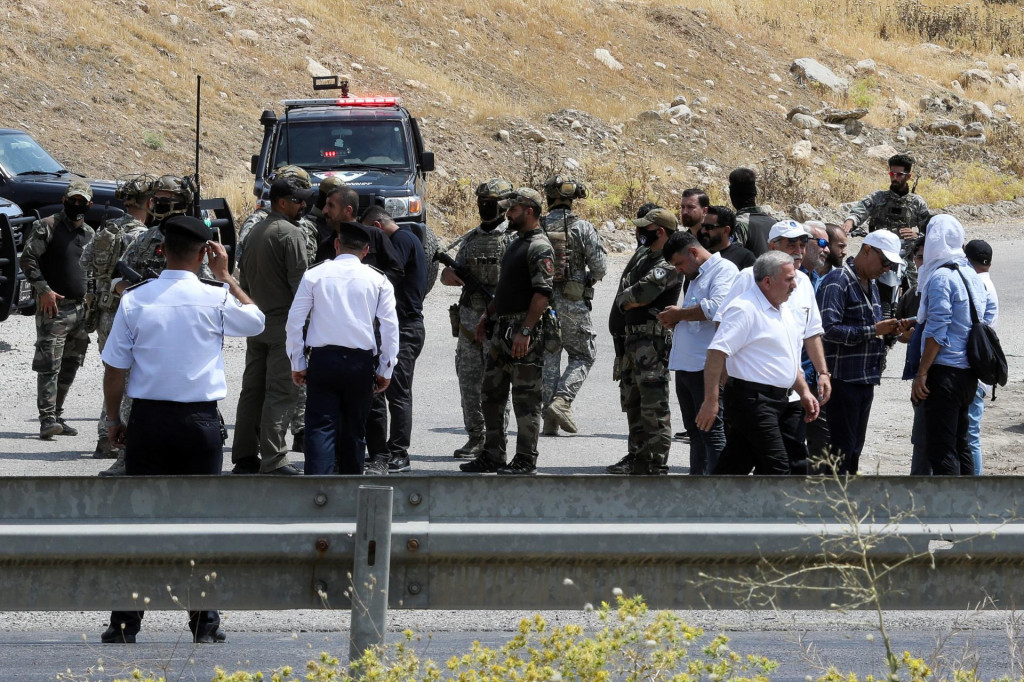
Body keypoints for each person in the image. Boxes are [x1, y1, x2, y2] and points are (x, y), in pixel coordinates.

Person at [99, 215, 264, 644]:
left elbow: (115, 369)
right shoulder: (215, 296)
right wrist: (226, 277)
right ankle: (204, 622)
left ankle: (124, 623)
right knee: (200, 522)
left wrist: (114, 419)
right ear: (206, 252)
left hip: (149, 421)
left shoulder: (135, 299)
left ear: (161, 250)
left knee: (140, 522)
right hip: (199, 423)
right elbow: (256, 321)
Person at [713, 220, 831, 473]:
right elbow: (723, 327)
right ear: (772, 246)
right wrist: (723, 377)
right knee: (776, 465)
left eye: (803, 244)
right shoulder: (750, 277)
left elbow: (811, 333)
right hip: (753, 390)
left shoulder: (803, 282)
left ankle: (712, 496)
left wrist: (822, 373)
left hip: (790, 389)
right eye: (791, 244)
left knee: (757, 460)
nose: (798, 250)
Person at [285, 221, 399, 475]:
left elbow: (294, 321)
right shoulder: (378, 279)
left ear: (337, 244)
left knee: (320, 428)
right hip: (359, 363)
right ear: (366, 251)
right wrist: (386, 369)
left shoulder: (314, 275)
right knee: (354, 431)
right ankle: (350, 489)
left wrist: (297, 363)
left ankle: (317, 489)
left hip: (323, 360)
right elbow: (390, 328)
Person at [459, 188, 554, 475]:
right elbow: (503, 289)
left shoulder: (539, 246)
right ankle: (493, 454)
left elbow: (542, 294)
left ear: (529, 211)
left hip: (523, 332)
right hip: (501, 329)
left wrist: (525, 330)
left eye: (513, 209)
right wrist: (486, 316)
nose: (507, 214)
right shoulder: (515, 243)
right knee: (491, 394)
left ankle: (525, 459)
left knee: (526, 399)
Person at [233, 177, 313, 476]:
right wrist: (306, 329)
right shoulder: (290, 233)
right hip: (283, 327)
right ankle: (274, 458)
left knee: (252, 391)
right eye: (298, 200)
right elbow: (301, 288)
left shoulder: (255, 231)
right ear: (281, 202)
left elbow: (243, 281)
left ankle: (244, 456)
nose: (303, 205)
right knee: (280, 392)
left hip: (257, 323)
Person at [816, 231, 906, 474]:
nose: (886, 269)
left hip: (864, 379)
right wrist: (873, 330)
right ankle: (837, 495)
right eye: (885, 262)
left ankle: (847, 493)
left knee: (854, 448)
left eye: (891, 266)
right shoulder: (838, 280)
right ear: (867, 250)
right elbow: (827, 330)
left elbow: (870, 328)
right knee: (842, 451)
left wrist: (891, 331)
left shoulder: (872, 283)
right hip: (843, 380)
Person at [913, 215, 995, 475]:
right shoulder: (971, 274)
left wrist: (922, 372)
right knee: (961, 444)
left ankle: (951, 500)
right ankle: (969, 499)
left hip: (946, 374)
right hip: (968, 374)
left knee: (942, 449)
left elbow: (937, 330)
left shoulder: (941, 277)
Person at [80, 174, 154, 459]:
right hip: (125, 313)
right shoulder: (140, 235)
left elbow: (85, 261)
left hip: (103, 312)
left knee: (113, 375)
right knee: (126, 380)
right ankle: (114, 437)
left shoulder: (107, 229)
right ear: (148, 202)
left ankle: (106, 437)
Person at [440, 178, 514, 459]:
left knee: (497, 384)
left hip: (498, 322)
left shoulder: (513, 239)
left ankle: (496, 440)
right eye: (482, 201)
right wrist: (448, 275)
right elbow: (450, 273)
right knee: (468, 383)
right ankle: (475, 437)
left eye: (490, 202)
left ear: (504, 205)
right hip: (469, 324)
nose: (485, 207)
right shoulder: (470, 239)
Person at [605, 208, 682, 475]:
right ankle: (637, 457)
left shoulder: (669, 262)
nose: (639, 232)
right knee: (633, 402)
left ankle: (657, 463)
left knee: (653, 405)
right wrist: (627, 297)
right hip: (633, 339)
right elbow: (627, 289)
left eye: (644, 229)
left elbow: (640, 294)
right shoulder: (644, 256)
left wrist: (626, 298)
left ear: (660, 231)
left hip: (651, 342)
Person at [656, 230, 737, 475]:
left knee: (712, 432)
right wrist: (678, 319)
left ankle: (718, 489)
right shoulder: (697, 274)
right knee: (695, 433)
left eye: (679, 264)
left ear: (693, 252)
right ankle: (697, 487)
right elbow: (698, 314)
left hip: (705, 368)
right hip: (687, 366)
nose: (679, 270)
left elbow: (717, 308)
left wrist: (679, 314)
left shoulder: (723, 270)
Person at [19, 180, 95, 439]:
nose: (77, 205)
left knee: (71, 364)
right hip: (54, 308)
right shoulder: (47, 226)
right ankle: (47, 419)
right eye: (73, 200)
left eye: (82, 201)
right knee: (49, 365)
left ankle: (58, 414)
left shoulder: (89, 233)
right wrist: (44, 290)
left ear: (90, 205)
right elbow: (28, 259)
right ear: (64, 200)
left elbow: (91, 269)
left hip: (80, 310)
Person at [361, 207, 427, 475]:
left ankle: (399, 453)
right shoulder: (407, 238)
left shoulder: (400, 240)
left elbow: (387, 279)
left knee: (397, 392)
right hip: (403, 325)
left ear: (377, 226)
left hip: (405, 327)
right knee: (386, 389)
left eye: (369, 233)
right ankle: (387, 451)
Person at [539, 175, 607, 436]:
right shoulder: (583, 228)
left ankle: (549, 420)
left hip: (541, 302)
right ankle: (562, 401)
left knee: (549, 357)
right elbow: (599, 267)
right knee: (583, 355)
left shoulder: (538, 227)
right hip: (573, 302)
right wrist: (587, 277)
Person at [842, 154, 931, 319]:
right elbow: (861, 209)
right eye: (892, 174)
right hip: (878, 255)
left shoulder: (917, 202)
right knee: (857, 282)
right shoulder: (878, 198)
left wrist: (916, 234)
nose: (894, 178)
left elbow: (930, 228)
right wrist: (850, 221)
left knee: (917, 294)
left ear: (908, 176)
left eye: (899, 174)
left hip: (906, 257)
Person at [237, 165, 318, 268]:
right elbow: (243, 258)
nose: (303, 203)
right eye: (298, 197)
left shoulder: (302, 223)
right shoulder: (257, 222)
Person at [965, 239, 999, 476]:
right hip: (982, 365)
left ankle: (975, 488)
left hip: (975, 367)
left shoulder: (977, 284)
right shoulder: (986, 282)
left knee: (969, 435)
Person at [728, 168, 776, 256]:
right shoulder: (774, 222)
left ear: (733, 194)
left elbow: (733, 258)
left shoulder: (739, 224)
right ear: (754, 193)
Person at [699, 205, 755, 270]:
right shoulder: (699, 256)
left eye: (708, 227)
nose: (703, 231)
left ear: (726, 230)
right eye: (702, 226)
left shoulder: (745, 258)